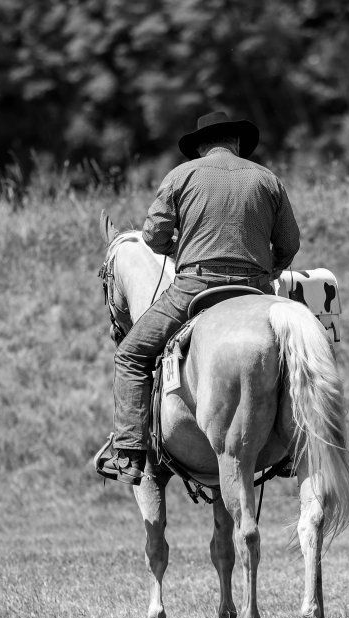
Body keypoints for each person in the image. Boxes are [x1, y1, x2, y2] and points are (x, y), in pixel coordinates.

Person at [95, 111, 301, 485]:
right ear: (237, 143)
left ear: (200, 146)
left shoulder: (180, 176)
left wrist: (178, 247)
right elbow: (289, 243)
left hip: (195, 286)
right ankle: (292, 446)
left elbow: (153, 237)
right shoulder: (267, 179)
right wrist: (266, 271)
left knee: (130, 354)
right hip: (255, 289)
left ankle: (129, 452)